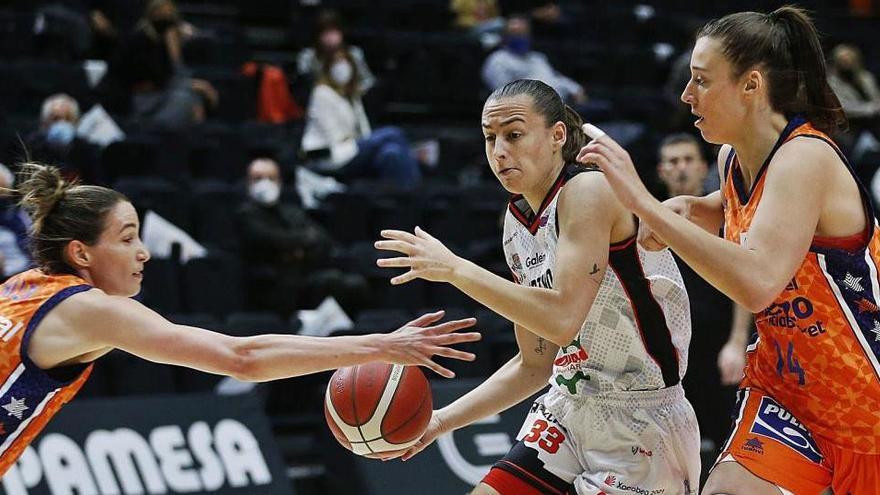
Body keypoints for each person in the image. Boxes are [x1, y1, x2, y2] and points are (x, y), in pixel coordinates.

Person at [0, 163, 480, 476]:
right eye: (127, 239)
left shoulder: (20, 287)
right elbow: (242, 358)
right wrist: (382, 346)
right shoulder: (90, 310)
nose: (143, 253)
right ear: (80, 252)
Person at [578, 6, 880, 495]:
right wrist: (688, 209)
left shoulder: (804, 157)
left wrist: (644, 203)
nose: (686, 95)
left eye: (700, 81)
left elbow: (758, 281)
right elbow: (729, 208)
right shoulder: (733, 158)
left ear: (751, 85)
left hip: (865, 404)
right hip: (785, 394)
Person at [376, 79, 700, 495]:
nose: (499, 151)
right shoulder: (517, 223)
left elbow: (563, 319)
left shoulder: (588, 190)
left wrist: (456, 269)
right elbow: (535, 363)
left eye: (513, 135)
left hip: (641, 424)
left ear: (556, 136)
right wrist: (442, 420)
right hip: (569, 407)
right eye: (490, 138)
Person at [656, 133, 750, 455]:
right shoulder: (651, 223)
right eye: (672, 161)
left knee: (732, 444)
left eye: (687, 160)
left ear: (702, 167)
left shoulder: (726, 217)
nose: (680, 168)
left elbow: (743, 282)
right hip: (671, 355)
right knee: (676, 456)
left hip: (719, 345)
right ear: (661, 171)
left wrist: (737, 342)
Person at [237, 158, 368, 316]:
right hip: (272, 286)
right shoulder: (245, 214)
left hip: (304, 275)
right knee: (330, 281)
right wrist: (298, 245)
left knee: (355, 283)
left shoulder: (290, 211)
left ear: (279, 182)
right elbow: (268, 239)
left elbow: (321, 239)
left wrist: (294, 248)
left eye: (271, 178)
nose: (265, 184)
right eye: (258, 178)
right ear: (247, 183)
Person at [301, 49, 422, 187]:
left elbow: (365, 131)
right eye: (336, 63)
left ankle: (401, 202)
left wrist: (366, 144)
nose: (342, 67)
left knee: (392, 152)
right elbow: (334, 136)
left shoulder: (352, 97)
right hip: (330, 155)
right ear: (328, 68)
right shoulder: (322, 92)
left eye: (345, 62)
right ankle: (417, 191)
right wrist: (361, 142)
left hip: (353, 149)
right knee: (393, 133)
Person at [481, 15, 586, 106]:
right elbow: (503, 96)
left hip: (563, 106)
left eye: (523, 33)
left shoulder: (538, 58)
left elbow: (555, 79)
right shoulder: (497, 61)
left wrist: (576, 89)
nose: (519, 38)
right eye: (515, 34)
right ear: (505, 37)